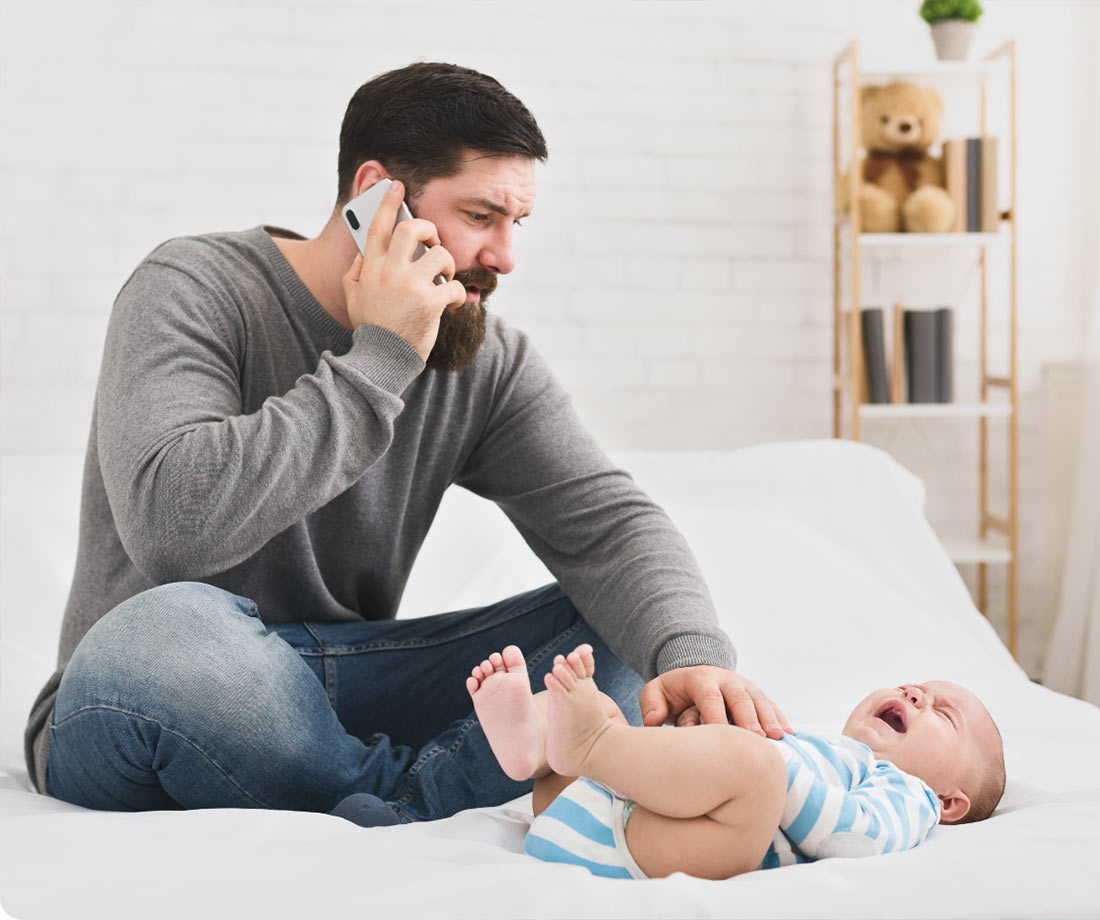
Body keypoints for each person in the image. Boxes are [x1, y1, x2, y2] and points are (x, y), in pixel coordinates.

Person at [24, 62, 790, 819]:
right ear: (376, 196)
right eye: (482, 215)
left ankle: (400, 799)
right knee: (165, 633)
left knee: (619, 635)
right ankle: (416, 789)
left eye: (516, 223)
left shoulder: (486, 361)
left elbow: (610, 527)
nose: (505, 256)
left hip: (340, 683)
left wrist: (692, 657)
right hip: (151, 691)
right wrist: (382, 358)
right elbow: (173, 529)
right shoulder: (192, 285)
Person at [466, 643, 1006, 879]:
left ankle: (595, 744)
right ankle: (533, 747)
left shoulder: (912, 796)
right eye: (915, 686)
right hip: (583, 809)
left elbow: (852, 837)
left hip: (653, 840)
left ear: (950, 803)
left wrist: (754, 757)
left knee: (756, 770)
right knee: (598, 704)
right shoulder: (824, 750)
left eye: (943, 713)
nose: (915, 694)